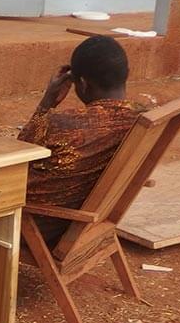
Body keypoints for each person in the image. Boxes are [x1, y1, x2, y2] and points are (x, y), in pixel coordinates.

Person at [19, 36, 141, 244]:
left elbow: (20, 153)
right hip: (84, 227)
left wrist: (47, 101)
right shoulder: (141, 119)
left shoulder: (61, 123)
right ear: (125, 75)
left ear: (82, 83)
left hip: (34, 227)